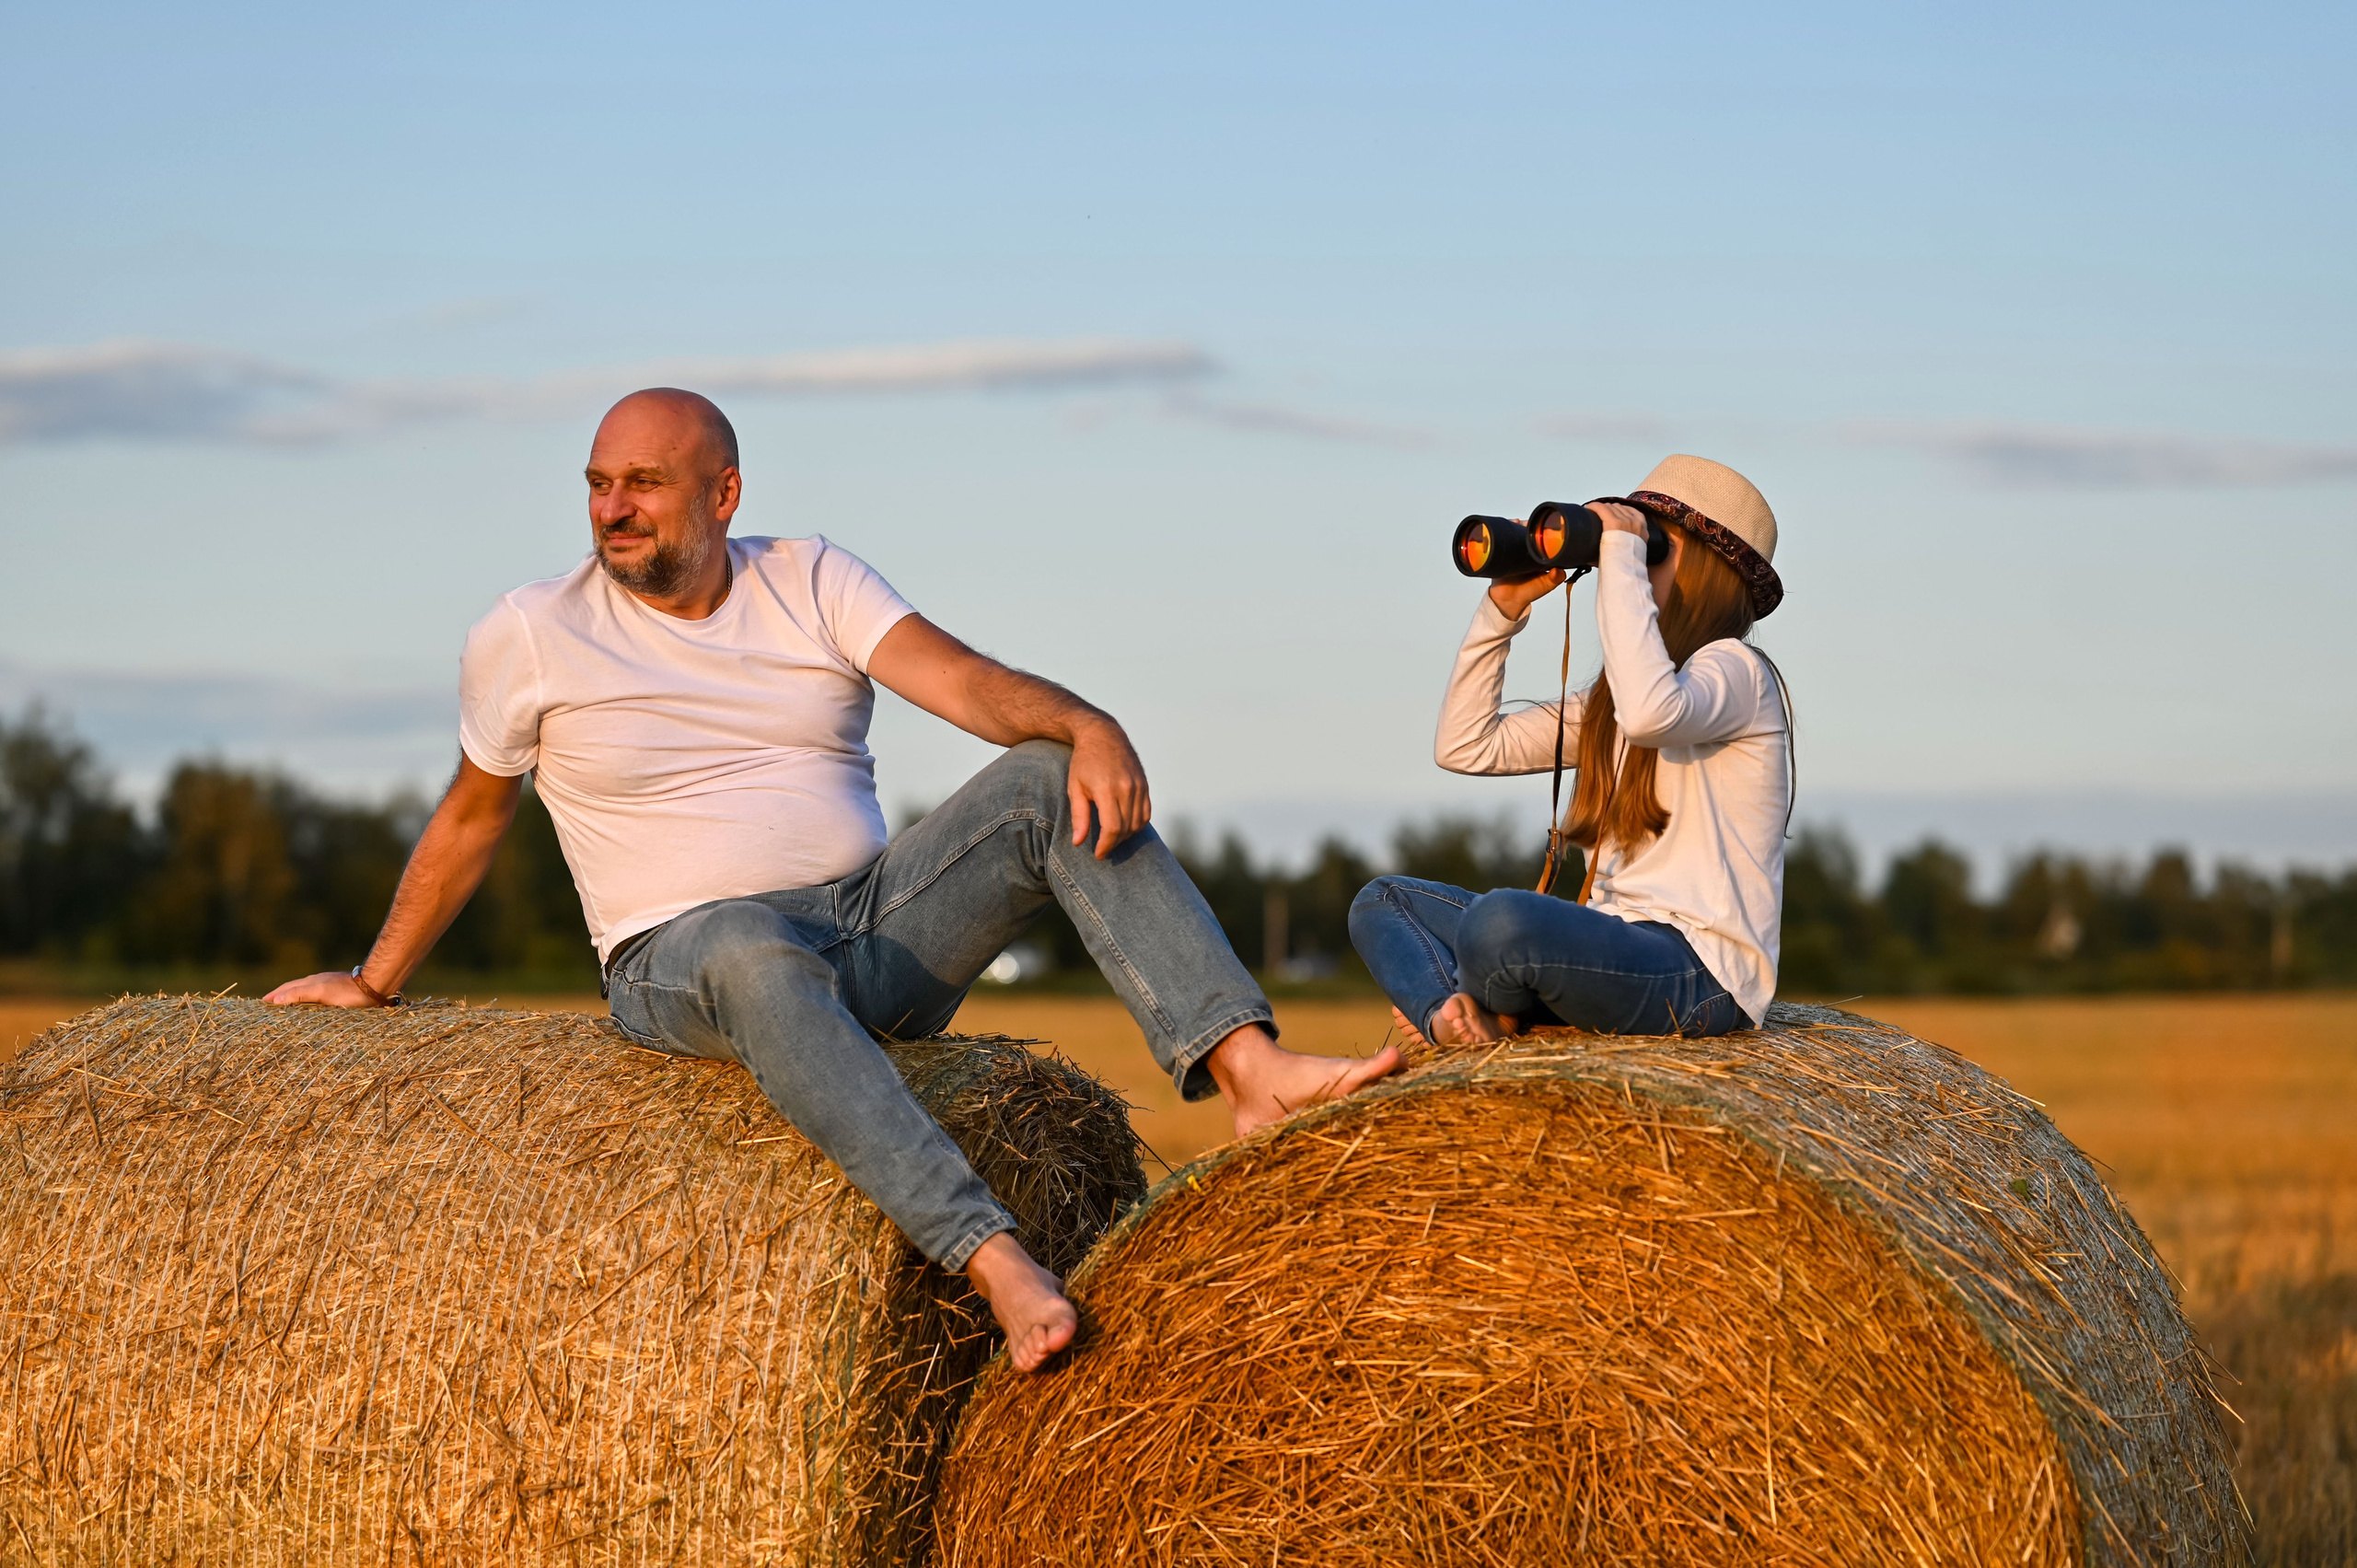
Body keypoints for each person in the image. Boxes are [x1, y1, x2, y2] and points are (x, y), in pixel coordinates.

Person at [268, 388, 1401, 1372]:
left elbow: (962, 682)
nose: (613, 508)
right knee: (748, 951)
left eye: (645, 484)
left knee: (1046, 778)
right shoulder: (528, 631)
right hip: (681, 958)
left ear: (723, 493)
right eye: (599, 483)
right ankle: (992, 1255)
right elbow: (474, 814)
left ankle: (1246, 1068)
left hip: (869, 931)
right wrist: (376, 980)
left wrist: (1086, 721)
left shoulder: (808, 576)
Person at [1348, 455, 1790, 1047]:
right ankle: (1450, 1021)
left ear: (1705, 566)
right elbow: (1465, 745)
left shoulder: (1737, 671)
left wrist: (1622, 555)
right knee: (1384, 901)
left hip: (1699, 972)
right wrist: (1501, 610)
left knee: (1498, 921)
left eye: (1653, 540)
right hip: (1606, 944)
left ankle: (1486, 1004)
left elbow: (1652, 712)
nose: (1625, 555)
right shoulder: (1611, 704)